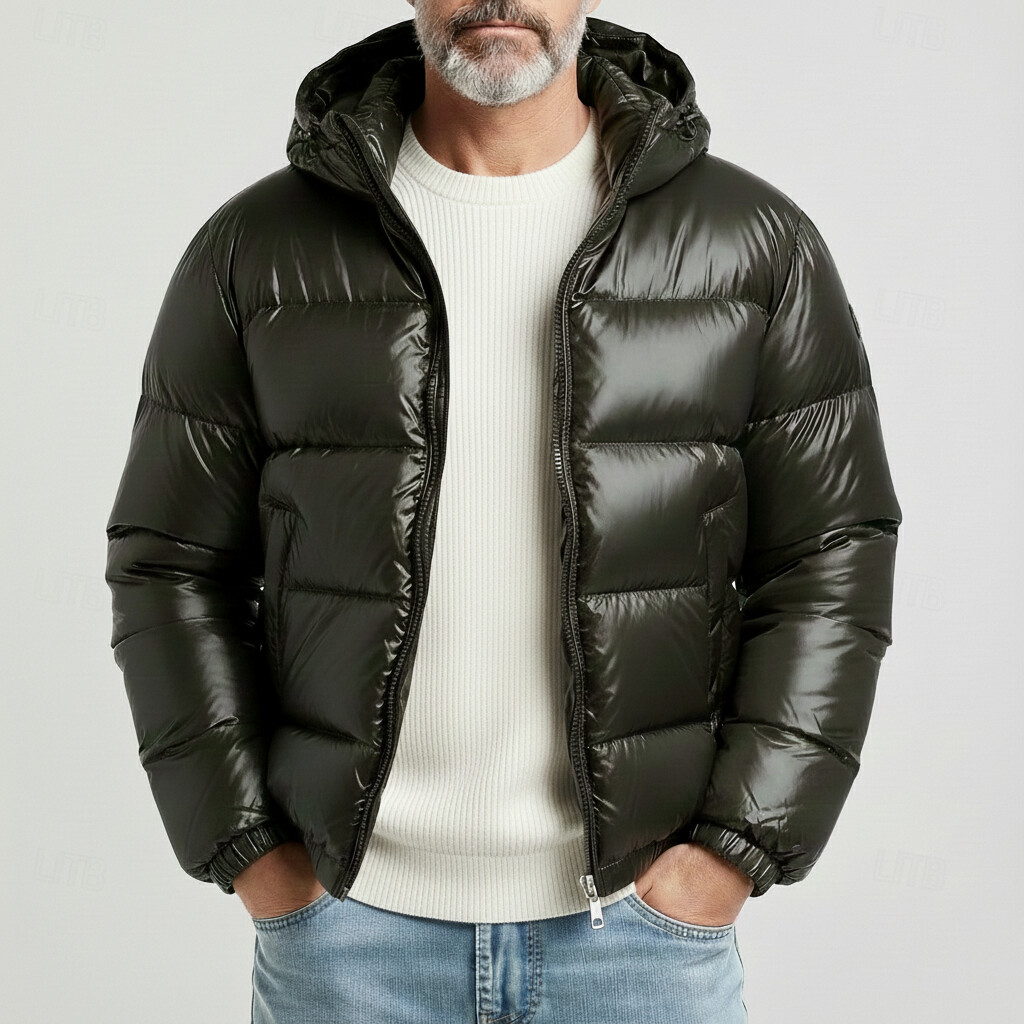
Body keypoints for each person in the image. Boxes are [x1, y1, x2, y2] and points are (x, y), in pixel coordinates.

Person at [104, 3, 902, 1021]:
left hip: (641, 942)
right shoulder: (259, 248)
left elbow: (831, 554)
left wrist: (732, 853)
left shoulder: (749, 243)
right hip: (348, 943)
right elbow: (171, 563)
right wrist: (252, 849)